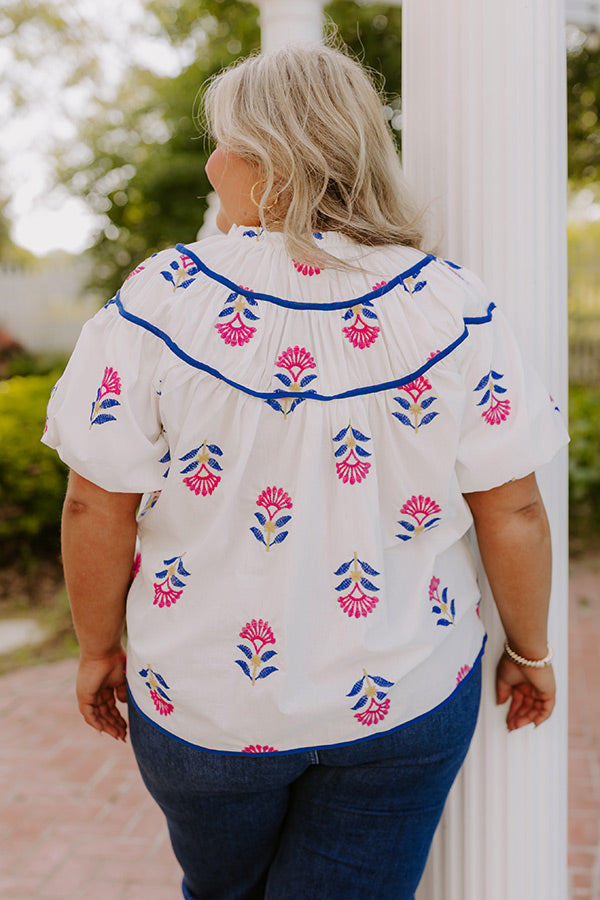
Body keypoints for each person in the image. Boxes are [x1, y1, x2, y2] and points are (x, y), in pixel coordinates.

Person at [43, 42, 568, 900]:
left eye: (223, 142)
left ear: (270, 160)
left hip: (206, 706)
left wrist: (100, 649)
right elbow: (514, 510)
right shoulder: (451, 303)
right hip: (403, 697)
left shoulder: (160, 298)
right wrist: (532, 648)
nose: (211, 162)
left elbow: (92, 507)